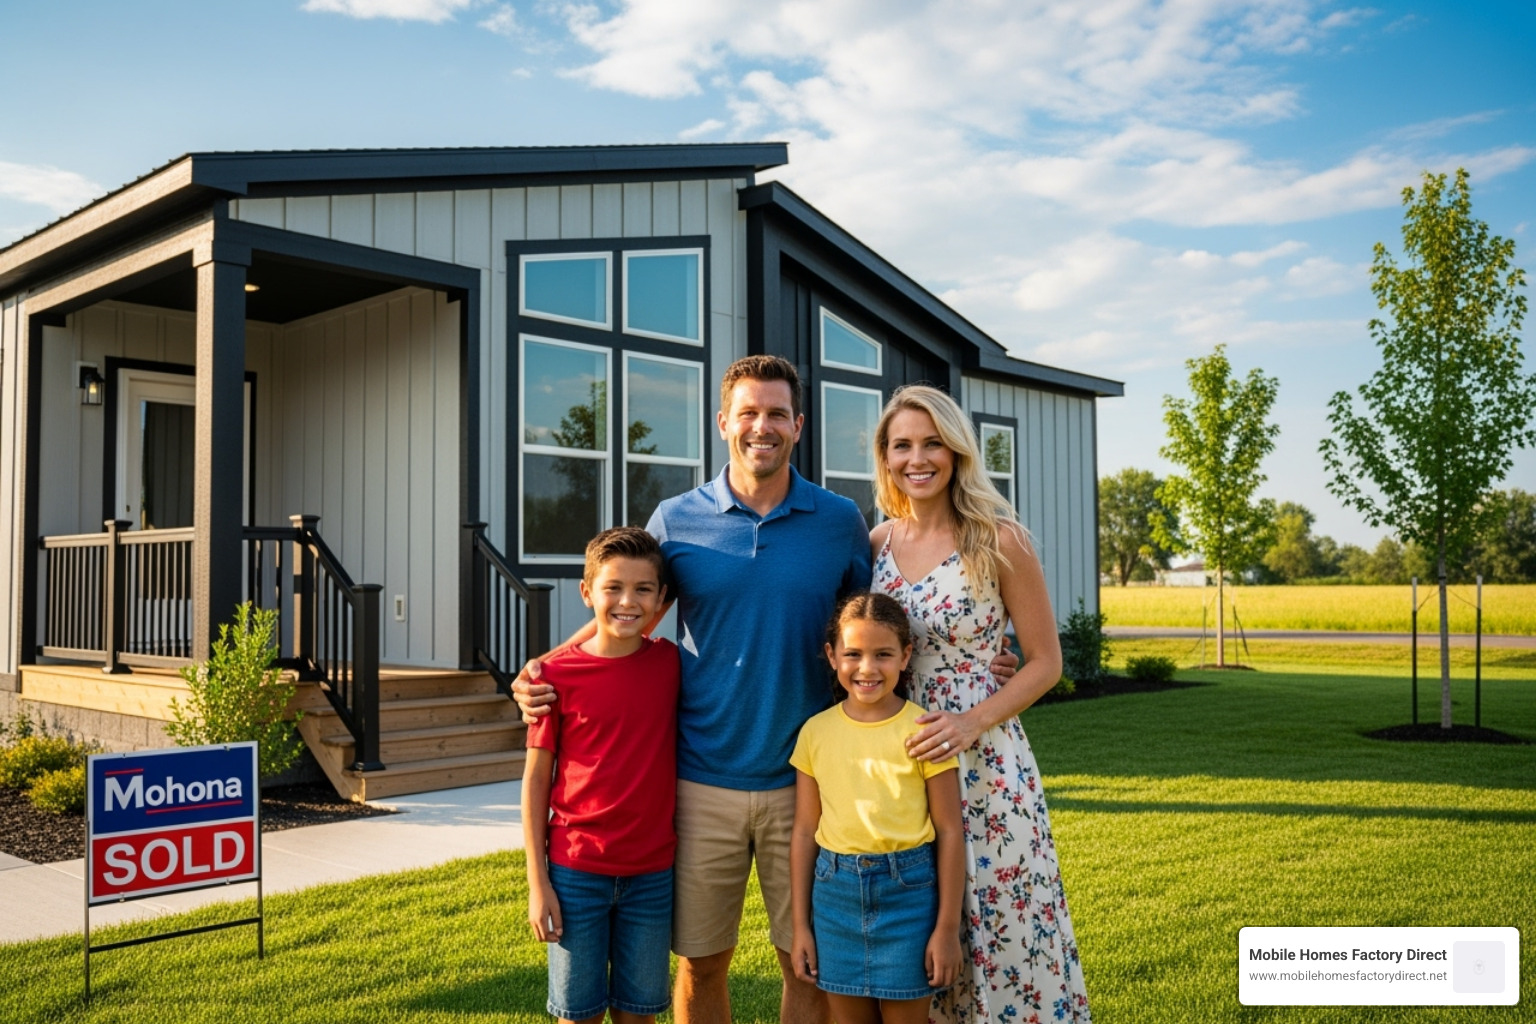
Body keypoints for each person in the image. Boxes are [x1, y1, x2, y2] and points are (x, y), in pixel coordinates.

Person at [518, 355, 872, 1024]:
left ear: (798, 425)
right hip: (700, 780)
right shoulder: (677, 519)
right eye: (747, 413)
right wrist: (542, 666)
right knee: (701, 963)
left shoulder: (838, 521)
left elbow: (873, 631)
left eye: (775, 414)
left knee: (807, 961)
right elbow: (620, 609)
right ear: (723, 423)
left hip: (808, 782)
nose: (760, 426)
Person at [869, 384, 1091, 1024]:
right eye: (902, 444)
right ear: (885, 457)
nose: (918, 458)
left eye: (932, 442)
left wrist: (972, 720)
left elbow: (1047, 662)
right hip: (903, 750)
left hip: (987, 757)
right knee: (921, 923)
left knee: (999, 916)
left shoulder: (999, 538)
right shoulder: (877, 542)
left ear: (957, 450)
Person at [522, 527, 681, 1024]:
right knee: (579, 1013)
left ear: (661, 600)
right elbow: (536, 781)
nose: (627, 601)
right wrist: (537, 880)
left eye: (643, 590)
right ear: (587, 592)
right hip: (575, 872)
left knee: (639, 1013)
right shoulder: (553, 679)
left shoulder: (670, 663)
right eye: (612, 587)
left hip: (652, 874)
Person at [789, 592, 965, 1024]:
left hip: (909, 896)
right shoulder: (815, 732)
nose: (867, 668)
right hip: (835, 900)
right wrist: (800, 927)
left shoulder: (925, 729)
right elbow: (803, 830)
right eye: (853, 654)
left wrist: (945, 929)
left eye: (882, 654)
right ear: (832, 656)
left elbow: (950, 831)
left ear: (905, 656)